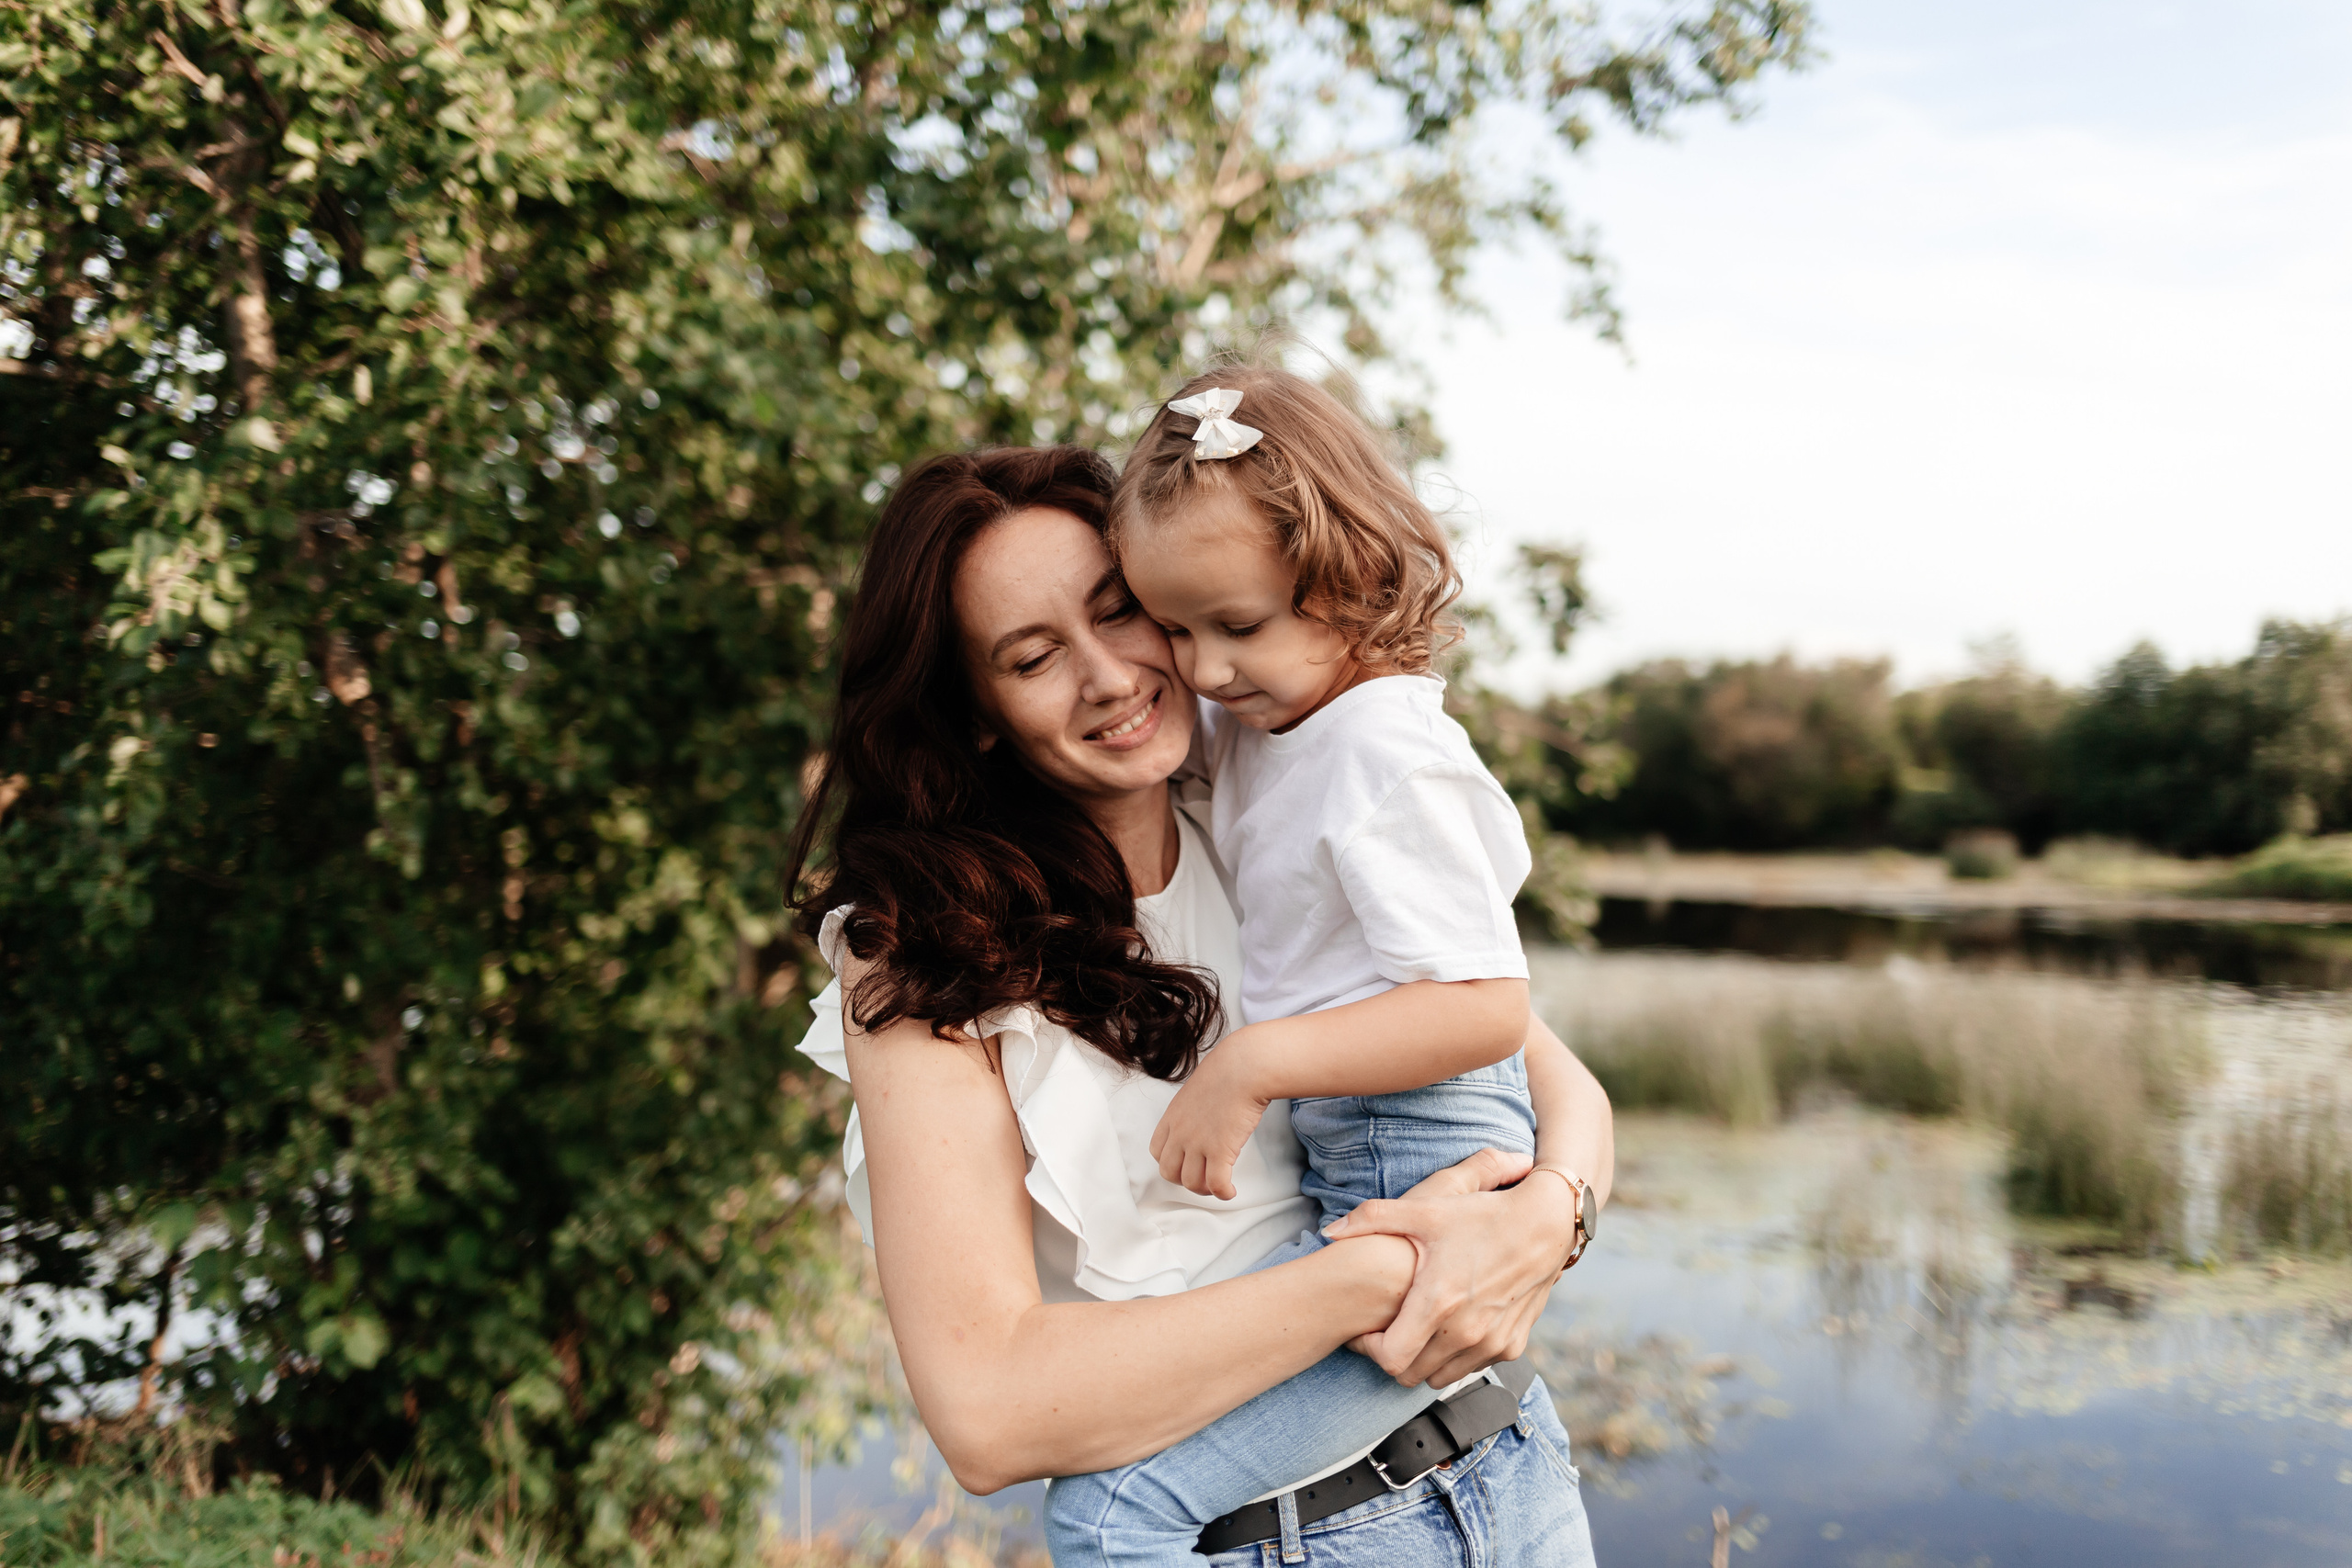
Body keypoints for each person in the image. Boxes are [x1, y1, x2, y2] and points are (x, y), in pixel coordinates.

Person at [786, 445, 1608, 1565]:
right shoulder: (922, 956)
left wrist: (1550, 1215)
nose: (1109, 676)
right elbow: (985, 1416)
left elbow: (1548, 1078)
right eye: (1034, 657)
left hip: (1516, 1473)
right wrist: (1391, 1271)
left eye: (1116, 611)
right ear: (976, 712)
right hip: (1281, 1538)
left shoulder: (1272, 802)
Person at [1038, 367, 1591, 1565]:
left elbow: (1486, 1008)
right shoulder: (1272, 719)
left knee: (1109, 1511)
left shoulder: (1387, 749)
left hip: (1421, 1147)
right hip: (1359, 1151)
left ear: (1351, 579)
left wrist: (1250, 1065)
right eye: (1174, 627)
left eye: (1237, 625)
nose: (1203, 670)